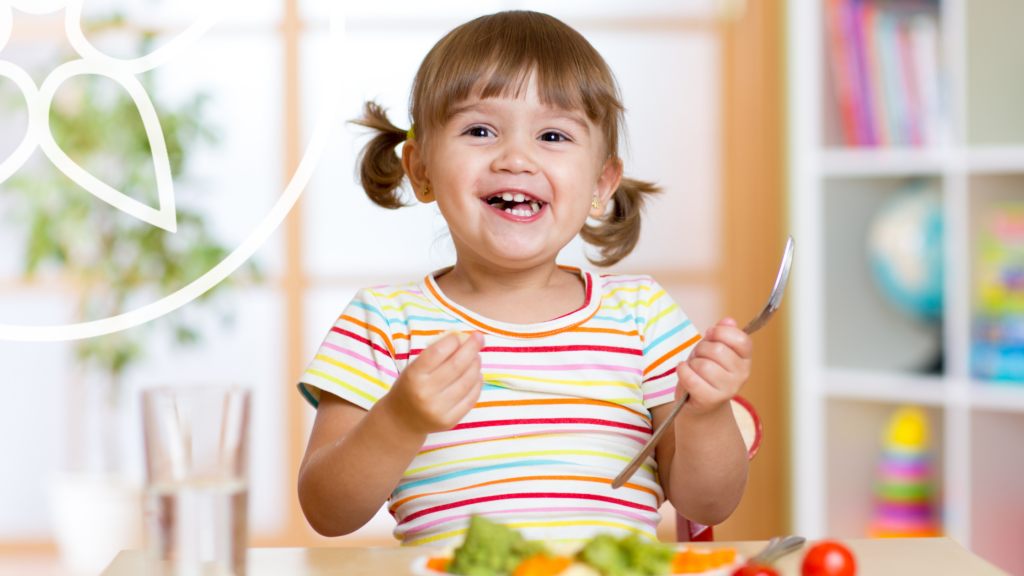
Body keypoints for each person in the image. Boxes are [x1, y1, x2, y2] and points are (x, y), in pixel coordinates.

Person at [296, 10, 752, 547]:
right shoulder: (385, 321)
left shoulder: (642, 315)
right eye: (480, 130)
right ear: (420, 170)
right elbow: (327, 510)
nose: (516, 158)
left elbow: (707, 503)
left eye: (553, 135)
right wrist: (398, 419)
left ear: (603, 182)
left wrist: (706, 413)